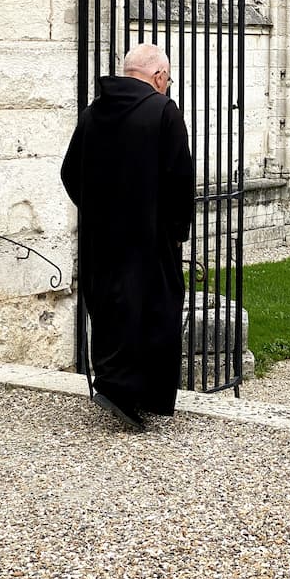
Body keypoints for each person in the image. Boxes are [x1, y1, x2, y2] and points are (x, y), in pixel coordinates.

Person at [61, 43, 194, 428]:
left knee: (110, 307)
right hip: (149, 238)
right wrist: (175, 229)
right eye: (166, 81)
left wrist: (98, 210)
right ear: (158, 77)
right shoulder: (163, 111)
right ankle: (131, 393)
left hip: (101, 237)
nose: (166, 88)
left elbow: (70, 172)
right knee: (155, 309)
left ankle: (114, 384)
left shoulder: (93, 113)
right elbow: (179, 179)